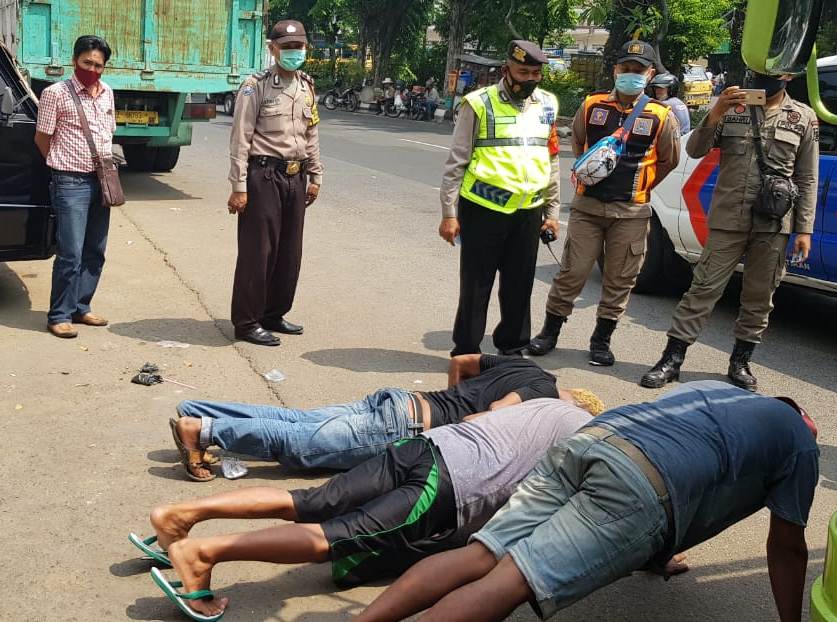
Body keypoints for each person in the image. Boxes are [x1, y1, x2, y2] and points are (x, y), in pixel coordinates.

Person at [357, 380, 819, 622]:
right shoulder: (799, 441)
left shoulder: (725, 394)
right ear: (803, 419)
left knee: (480, 555)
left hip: (590, 440)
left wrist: (655, 556)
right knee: (510, 581)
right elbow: (787, 548)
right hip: (635, 477)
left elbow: (695, 470)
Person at [136, 397, 603, 621]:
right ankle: (204, 555)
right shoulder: (588, 435)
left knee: (310, 502)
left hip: (424, 447)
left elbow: (478, 418)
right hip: (451, 483)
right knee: (334, 538)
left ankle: (182, 515)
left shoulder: (544, 405)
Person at [640, 72, 819, 391]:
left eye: (773, 73)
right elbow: (694, 150)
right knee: (703, 288)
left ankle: (740, 361)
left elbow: (806, 179)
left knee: (760, 296)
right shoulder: (732, 107)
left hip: (774, 224)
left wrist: (804, 229)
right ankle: (672, 359)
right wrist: (715, 112)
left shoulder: (802, 117)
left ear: (788, 75)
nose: (764, 79)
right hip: (728, 219)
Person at [170, 354, 577, 480]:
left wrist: (453, 397)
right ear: (567, 406)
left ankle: (196, 410)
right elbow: (487, 417)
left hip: (402, 401)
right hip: (404, 426)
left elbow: (463, 361)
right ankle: (201, 432)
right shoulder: (540, 394)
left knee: (297, 420)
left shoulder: (530, 369)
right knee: (302, 446)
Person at [527, 40, 680, 365]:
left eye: (639, 70)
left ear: (650, 74)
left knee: (620, 279)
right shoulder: (592, 105)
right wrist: (586, 167)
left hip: (632, 213)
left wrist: (643, 184)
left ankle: (601, 340)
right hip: (588, 209)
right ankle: (549, 333)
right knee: (573, 271)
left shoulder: (660, 115)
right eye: (626, 69)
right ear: (615, 70)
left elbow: (669, 160)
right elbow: (577, 139)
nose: (631, 75)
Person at [439, 40, 561, 357]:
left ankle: (512, 349)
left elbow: (552, 160)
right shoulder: (478, 103)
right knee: (477, 285)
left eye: (536, 73)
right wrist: (449, 213)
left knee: (520, 286)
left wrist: (552, 211)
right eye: (523, 71)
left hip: (528, 210)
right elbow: (456, 163)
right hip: (484, 208)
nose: (530, 79)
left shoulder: (548, 104)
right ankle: (466, 351)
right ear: (507, 70)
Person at [227, 20, 323, 346]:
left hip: (296, 177)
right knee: (259, 252)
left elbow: (311, 135)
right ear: (273, 49)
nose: (294, 53)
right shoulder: (256, 87)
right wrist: (239, 186)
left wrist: (316, 176)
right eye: (287, 47)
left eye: (299, 47)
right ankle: (247, 322)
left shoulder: (307, 87)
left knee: (288, 252)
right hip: (263, 175)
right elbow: (240, 138)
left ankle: (273, 313)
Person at [34, 35, 116, 339]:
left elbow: (108, 132)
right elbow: (42, 138)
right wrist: (61, 166)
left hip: (102, 181)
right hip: (70, 182)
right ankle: (59, 315)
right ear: (74, 61)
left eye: (98, 65)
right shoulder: (55, 94)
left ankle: (81, 306)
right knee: (70, 252)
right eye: (87, 63)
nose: (92, 69)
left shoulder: (107, 92)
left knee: (95, 249)